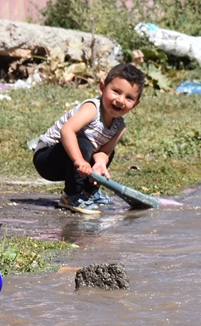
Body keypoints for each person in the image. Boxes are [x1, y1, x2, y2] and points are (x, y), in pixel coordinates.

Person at [32, 62, 146, 216]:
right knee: (84, 143)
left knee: (105, 154)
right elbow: (67, 131)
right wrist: (79, 161)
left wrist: (99, 163)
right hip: (48, 159)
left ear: (136, 104)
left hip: (73, 163)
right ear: (102, 88)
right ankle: (71, 196)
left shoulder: (119, 126)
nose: (120, 100)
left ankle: (88, 193)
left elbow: (104, 152)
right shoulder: (92, 109)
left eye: (129, 98)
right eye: (116, 91)